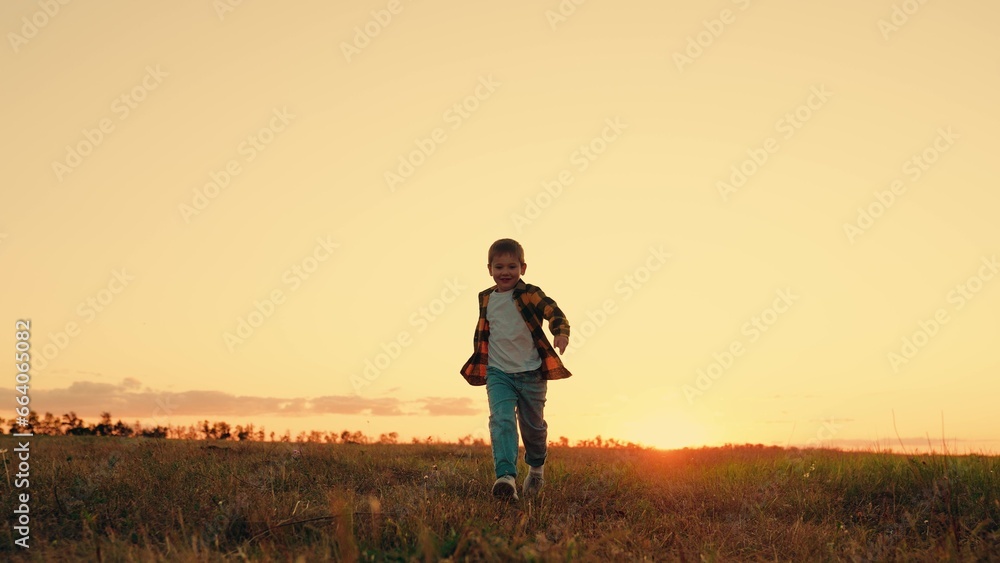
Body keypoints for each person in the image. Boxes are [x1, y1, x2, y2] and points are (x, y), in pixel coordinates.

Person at [460, 238, 572, 500]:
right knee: (501, 419)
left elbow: (554, 312)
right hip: (498, 373)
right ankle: (506, 477)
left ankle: (536, 470)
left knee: (533, 428)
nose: (505, 272)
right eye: (499, 267)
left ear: (523, 267)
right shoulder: (486, 298)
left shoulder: (530, 293)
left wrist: (560, 333)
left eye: (512, 266)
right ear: (489, 269)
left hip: (531, 373)